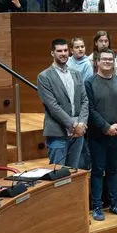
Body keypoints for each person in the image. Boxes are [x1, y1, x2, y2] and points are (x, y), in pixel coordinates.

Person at [85, 48, 117, 221]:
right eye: (104, 59)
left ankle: (114, 203)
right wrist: (106, 127)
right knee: (98, 171)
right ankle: (97, 206)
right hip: (98, 135)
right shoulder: (89, 83)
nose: (107, 62)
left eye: (110, 59)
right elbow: (89, 109)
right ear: (97, 62)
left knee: (113, 170)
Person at [38, 39, 88, 168]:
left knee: (74, 173)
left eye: (65, 50)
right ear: (52, 53)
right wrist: (73, 125)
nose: (63, 53)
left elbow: (84, 100)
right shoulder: (44, 76)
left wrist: (82, 124)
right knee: (58, 176)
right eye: (59, 51)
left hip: (77, 134)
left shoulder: (76, 74)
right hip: (58, 133)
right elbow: (53, 107)